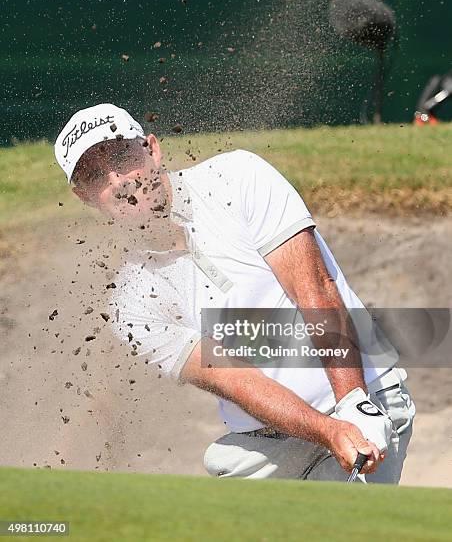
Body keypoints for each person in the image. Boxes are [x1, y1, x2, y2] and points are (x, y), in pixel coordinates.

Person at [54, 102, 415, 483]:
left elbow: (314, 290)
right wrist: (327, 430)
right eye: (95, 174)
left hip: (366, 399)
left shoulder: (236, 177)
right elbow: (236, 380)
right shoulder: (130, 303)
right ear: (86, 197)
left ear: (152, 149)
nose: (118, 180)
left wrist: (354, 405)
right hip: (269, 444)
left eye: (122, 155)